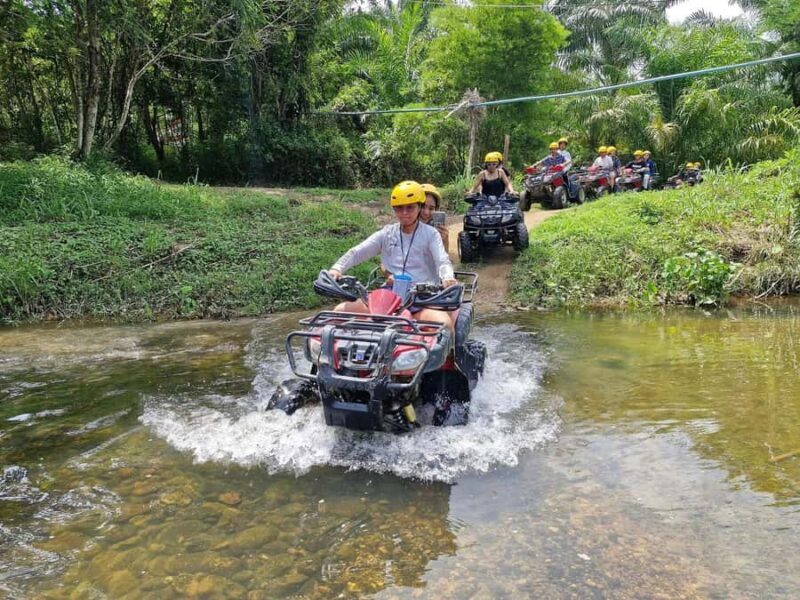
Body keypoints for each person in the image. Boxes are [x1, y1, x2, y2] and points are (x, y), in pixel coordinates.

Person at [329, 181, 457, 334]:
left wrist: (448, 277)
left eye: (410, 207)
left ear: (419, 207)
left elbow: (442, 260)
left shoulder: (431, 234)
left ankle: (451, 356)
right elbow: (358, 251)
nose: (404, 213)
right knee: (338, 313)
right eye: (399, 208)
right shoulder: (387, 233)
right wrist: (337, 268)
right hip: (389, 294)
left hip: (422, 296)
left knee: (445, 325)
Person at [420, 183, 450, 251]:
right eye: (422, 206)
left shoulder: (436, 231)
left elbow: (443, 259)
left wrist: (445, 242)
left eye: (431, 208)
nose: (426, 212)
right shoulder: (405, 229)